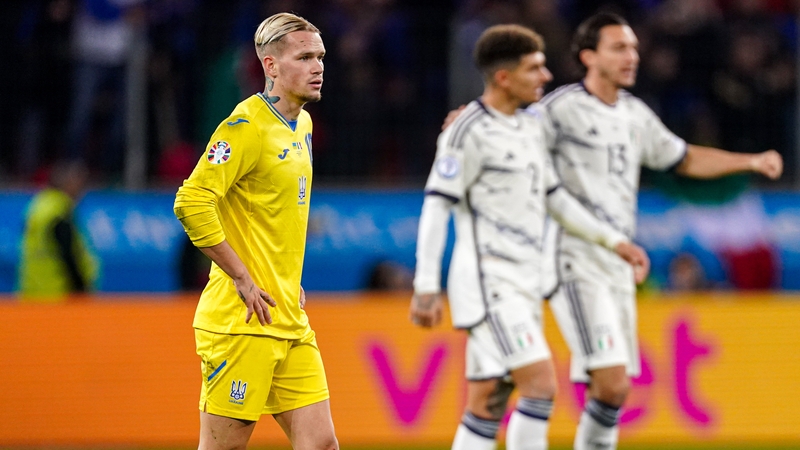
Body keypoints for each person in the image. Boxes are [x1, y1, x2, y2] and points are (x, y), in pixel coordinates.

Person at [538, 13, 783, 450]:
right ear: (588, 56)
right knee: (606, 382)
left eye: (633, 47)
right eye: (619, 48)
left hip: (616, 262)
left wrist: (748, 161)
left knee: (612, 392)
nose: (632, 56)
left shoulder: (634, 114)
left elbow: (684, 158)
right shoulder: (562, 108)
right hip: (574, 258)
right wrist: (470, 119)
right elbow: (509, 132)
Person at [410, 24, 649, 450]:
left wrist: (612, 241)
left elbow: (556, 197)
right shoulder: (466, 132)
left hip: (525, 282)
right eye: (534, 68)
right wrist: (426, 286)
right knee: (540, 386)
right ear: (504, 77)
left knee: (488, 401)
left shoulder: (530, 127)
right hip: (489, 285)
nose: (545, 77)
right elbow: (436, 207)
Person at [173, 12, 337, 450]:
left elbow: (269, 216)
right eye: (305, 57)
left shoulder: (302, 125)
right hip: (240, 323)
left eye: (320, 56)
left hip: (287, 317)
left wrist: (286, 280)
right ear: (271, 66)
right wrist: (242, 278)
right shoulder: (244, 127)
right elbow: (191, 201)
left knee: (320, 444)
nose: (318, 66)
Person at [18, 160, 97, 301]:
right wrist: (80, 288)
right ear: (69, 183)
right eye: (80, 183)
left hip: (31, 291)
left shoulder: (39, 205)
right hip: (57, 294)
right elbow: (68, 254)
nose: (82, 191)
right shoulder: (58, 211)